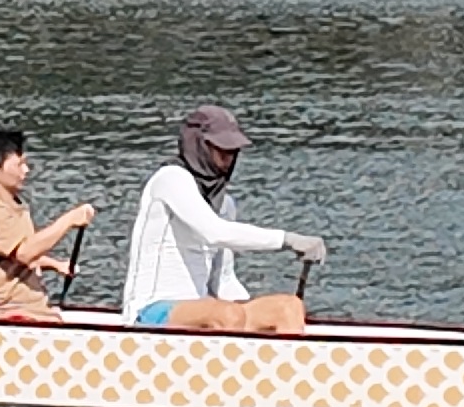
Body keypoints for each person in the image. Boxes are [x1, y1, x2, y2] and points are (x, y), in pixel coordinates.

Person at [115, 103, 323, 333]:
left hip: (206, 310)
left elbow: (223, 280)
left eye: (233, 152)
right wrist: (287, 239)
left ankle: (285, 366)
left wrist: (250, 307)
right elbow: (214, 233)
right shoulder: (170, 179)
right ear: (199, 146)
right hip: (149, 312)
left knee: (289, 308)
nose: (228, 159)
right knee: (227, 315)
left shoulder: (224, 204)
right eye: (221, 150)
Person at [0, 126, 96, 320]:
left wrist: (55, 265)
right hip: (3, 311)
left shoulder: (18, 206)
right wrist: (69, 220)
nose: (26, 170)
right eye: (19, 164)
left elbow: (12, 257)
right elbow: (23, 253)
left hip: (31, 307)